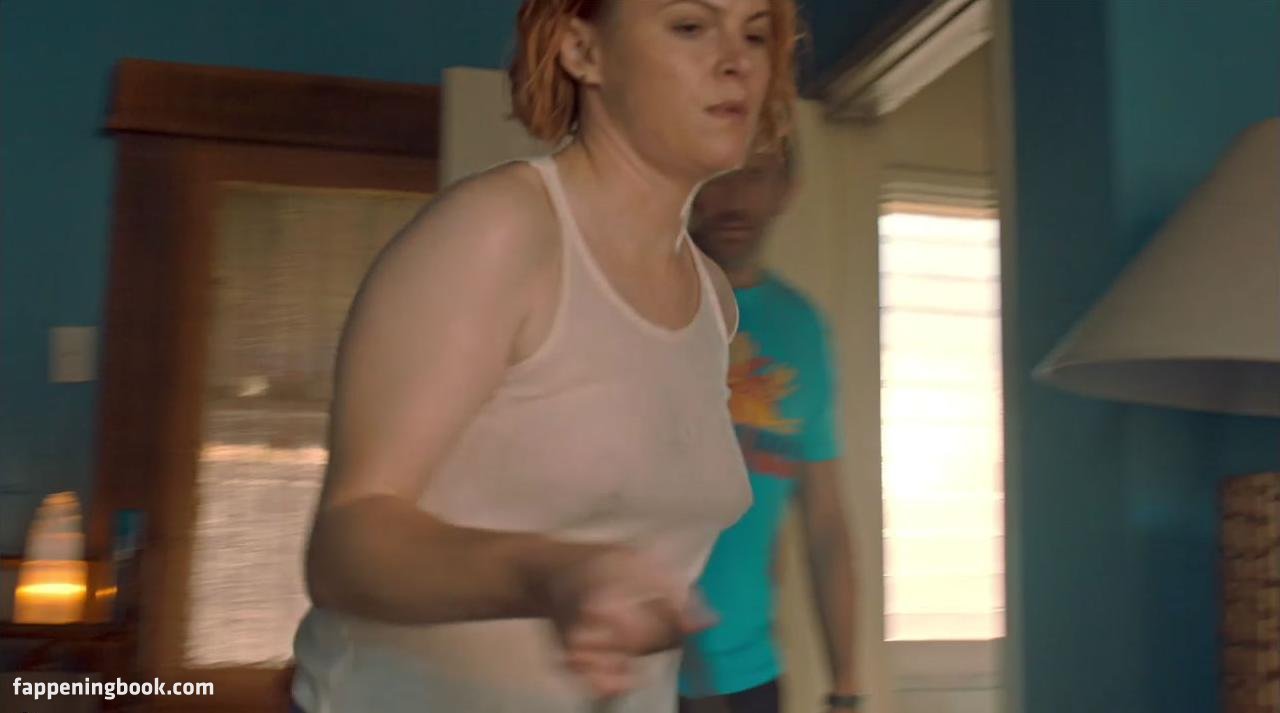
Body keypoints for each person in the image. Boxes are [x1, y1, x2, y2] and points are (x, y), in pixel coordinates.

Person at [289, 1, 800, 711]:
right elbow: (345, 547)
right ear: (581, 50)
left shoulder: (713, 300)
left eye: (756, 34)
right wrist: (551, 574)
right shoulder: (501, 231)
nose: (736, 61)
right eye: (690, 26)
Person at [677, 145, 863, 713]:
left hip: (750, 678)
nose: (733, 197)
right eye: (716, 174)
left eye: (754, 174)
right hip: (631, 671)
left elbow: (825, 523)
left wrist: (846, 689)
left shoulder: (801, 329)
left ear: (787, 187)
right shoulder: (634, 305)